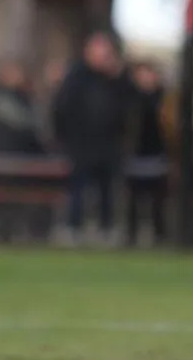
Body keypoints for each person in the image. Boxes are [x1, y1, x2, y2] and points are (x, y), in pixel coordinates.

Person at [51, 31, 132, 245]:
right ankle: (73, 228)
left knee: (107, 190)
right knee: (78, 188)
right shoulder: (76, 76)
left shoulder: (116, 79)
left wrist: (118, 76)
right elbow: (62, 108)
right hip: (81, 144)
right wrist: (65, 138)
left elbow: (127, 108)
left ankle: (106, 229)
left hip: (108, 145)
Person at [125, 61, 168, 245]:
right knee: (134, 198)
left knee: (158, 198)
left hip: (157, 154)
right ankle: (131, 234)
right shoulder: (131, 99)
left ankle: (159, 234)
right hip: (136, 155)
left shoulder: (164, 99)